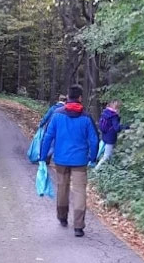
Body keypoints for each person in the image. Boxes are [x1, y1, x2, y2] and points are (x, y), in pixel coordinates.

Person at [39, 84, 99, 237]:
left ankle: (62, 217)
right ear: (80, 98)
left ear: (68, 97)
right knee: (79, 192)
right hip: (80, 161)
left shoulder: (57, 115)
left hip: (61, 159)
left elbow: (48, 137)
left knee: (62, 187)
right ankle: (78, 226)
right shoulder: (86, 117)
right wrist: (92, 158)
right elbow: (94, 140)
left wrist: (43, 157)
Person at [95, 99, 128, 170]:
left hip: (104, 135)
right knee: (106, 155)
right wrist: (126, 127)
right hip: (110, 137)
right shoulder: (114, 116)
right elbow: (116, 128)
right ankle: (96, 169)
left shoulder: (105, 112)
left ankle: (92, 162)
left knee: (99, 151)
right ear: (117, 107)